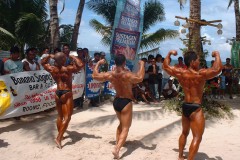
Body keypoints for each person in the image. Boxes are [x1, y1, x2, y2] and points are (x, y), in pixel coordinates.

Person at [162, 50, 222, 160]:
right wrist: (217, 55)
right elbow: (217, 69)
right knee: (197, 137)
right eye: (198, 60)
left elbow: (165, 66)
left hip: (185, 107)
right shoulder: (200, 74)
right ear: (192, 61)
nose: (199, 62)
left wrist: (169, 53)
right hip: (195, 109)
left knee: (184, 133)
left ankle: (180, 156)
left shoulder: (180, 73)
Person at [92, 54, 144, 159]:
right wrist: (142, 64)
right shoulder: (127, 75)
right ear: (124, 62)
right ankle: (117, 149)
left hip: (116, 102)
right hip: (126, 102)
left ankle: (118, 142)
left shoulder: (110, 74)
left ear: (115, 63)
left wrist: (98, 63)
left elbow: (95, 76)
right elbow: (140, 78)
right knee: (126, 127)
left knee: (121, 124)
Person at [41, 52, 84, 149]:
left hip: (57, 93)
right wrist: (73, 56)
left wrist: (48, 56)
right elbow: (80, 65)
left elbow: (43, 63)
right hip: (66, 93)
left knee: (60, 116)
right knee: (67, 117)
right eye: (64, 58)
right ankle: (59, 138)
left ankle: (61, 134)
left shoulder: (52, 69)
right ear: (63, 60)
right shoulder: (67, 69)